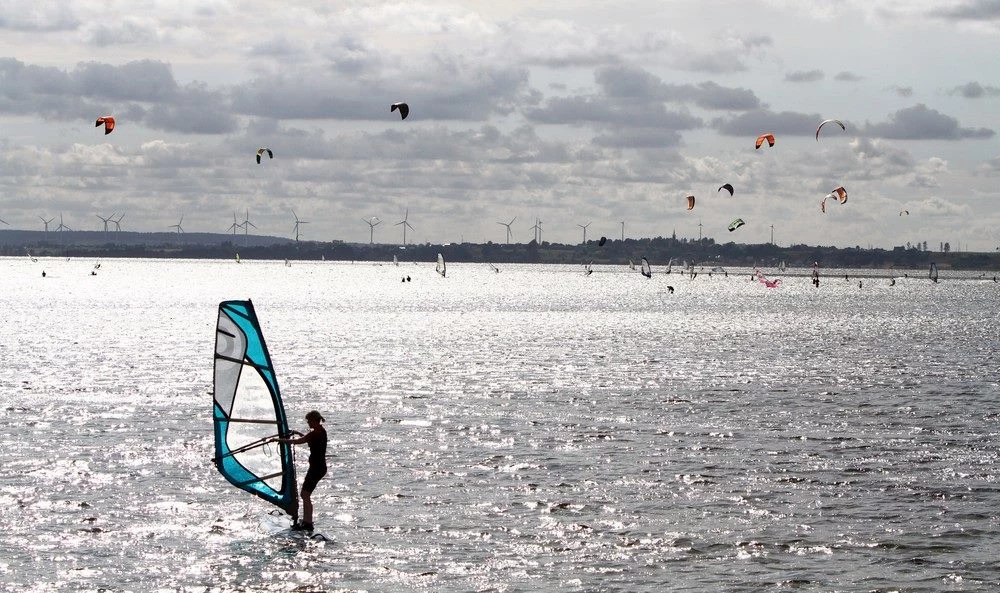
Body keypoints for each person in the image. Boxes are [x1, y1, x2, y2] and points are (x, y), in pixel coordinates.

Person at [277, 410, 327, 532]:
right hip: (319, 468)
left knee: (305, 495)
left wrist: (279, 440)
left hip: (316, 469)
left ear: (315, 421)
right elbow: (306, 438)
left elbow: (298, 442)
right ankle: (307, 521)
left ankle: (308, 523)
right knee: (305, 495)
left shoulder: (315, 433)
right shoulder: (321, 431)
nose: (308, 423)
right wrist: (298, 433)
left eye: (309, 421)